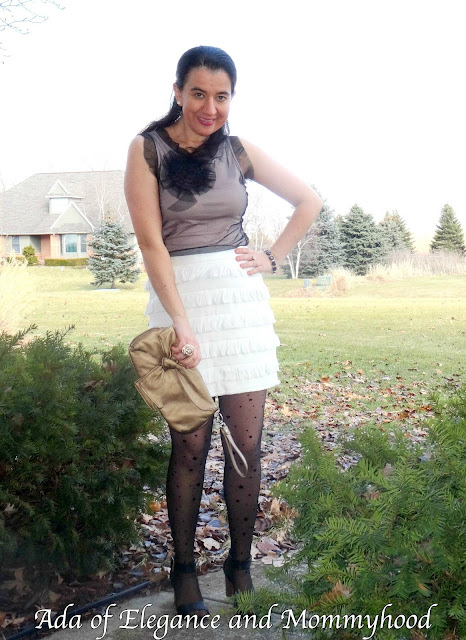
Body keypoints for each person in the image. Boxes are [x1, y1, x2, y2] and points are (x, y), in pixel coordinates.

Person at [124, 45, 323, 618]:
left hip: (241, 309)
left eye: (221, 96)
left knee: (247, 446)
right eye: (198, 93)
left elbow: (308, 200)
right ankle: (184, 571)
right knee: (190, 444)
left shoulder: (238, 151)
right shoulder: (147, 148)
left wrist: (272, 256)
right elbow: (151, 244)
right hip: (180, 301)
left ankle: (240, 566)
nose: (210, 107)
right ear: (177, 91)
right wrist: (181, 324)